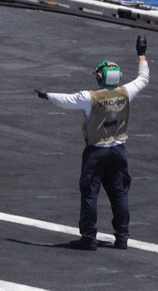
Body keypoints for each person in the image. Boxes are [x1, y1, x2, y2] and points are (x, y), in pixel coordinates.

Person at [35, 35, 149, 250]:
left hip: (96, 152)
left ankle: (89, 237)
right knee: (119, 193)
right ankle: (122, 237)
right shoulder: (127, 92)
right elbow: (144, 79)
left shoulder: (89, 97)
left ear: (100, 77)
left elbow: (65, 100)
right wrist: (141, 54)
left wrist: (46, 95)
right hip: (118, 151)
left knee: (90, 193)